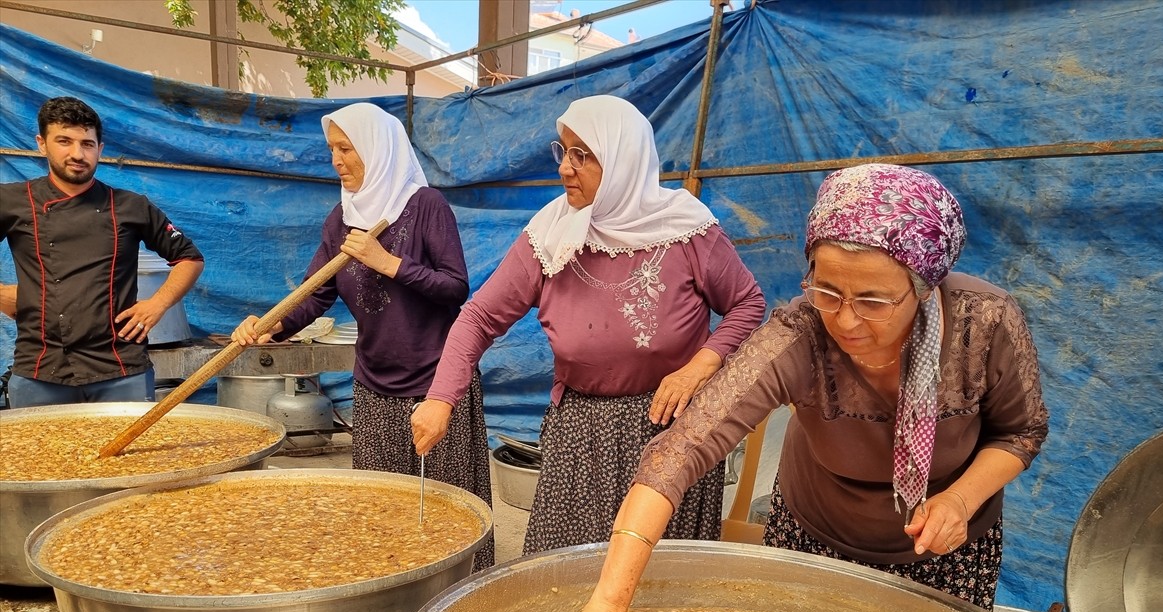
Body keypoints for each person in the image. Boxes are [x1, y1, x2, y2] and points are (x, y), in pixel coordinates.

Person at [562, 162, 1050, 612]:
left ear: (924, 288)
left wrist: (959, 501)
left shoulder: (985, 323)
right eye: (828, 290)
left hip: (946, 555)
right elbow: (678, 453)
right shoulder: (800, 334)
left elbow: (1020, 433)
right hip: (813, 546)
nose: (844, 319)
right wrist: (610, 603)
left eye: (873, 300)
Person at [411, 94, 766, 554]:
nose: (564, 168)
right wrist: (441, 398)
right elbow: (478, 318)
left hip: (671, 429)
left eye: (583, 154)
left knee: (657, 581)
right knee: (563, 571)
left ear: (623, 159)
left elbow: (747, 302)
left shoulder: (686, 230)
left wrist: (699, 366)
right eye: (563, 150)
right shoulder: (550, 234)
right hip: (582, 434)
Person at [232, 102, 494, 569]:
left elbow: (455, 288)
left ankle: (455, 595)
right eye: (332, 148)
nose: (336, 160)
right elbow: (316, 294)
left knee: (444, 506)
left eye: (347, 148)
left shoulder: (425, 206)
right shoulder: (341, 219)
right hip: (375, 385)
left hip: (436, 385)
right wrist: (276, 325)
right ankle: (391, 588)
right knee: (380, 505)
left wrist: (387, 262)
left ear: (377, 149)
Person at [0, 96, 204, 407]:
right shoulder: (13, 201)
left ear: (100, 149)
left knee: (130, 456)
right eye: (64, 141)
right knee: (42, 456)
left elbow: (189, 257)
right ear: (42, 144)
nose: (77, 154)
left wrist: (157, 305)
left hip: (121, 368)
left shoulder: (131, 206)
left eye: (87, 143)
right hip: (39, 367)